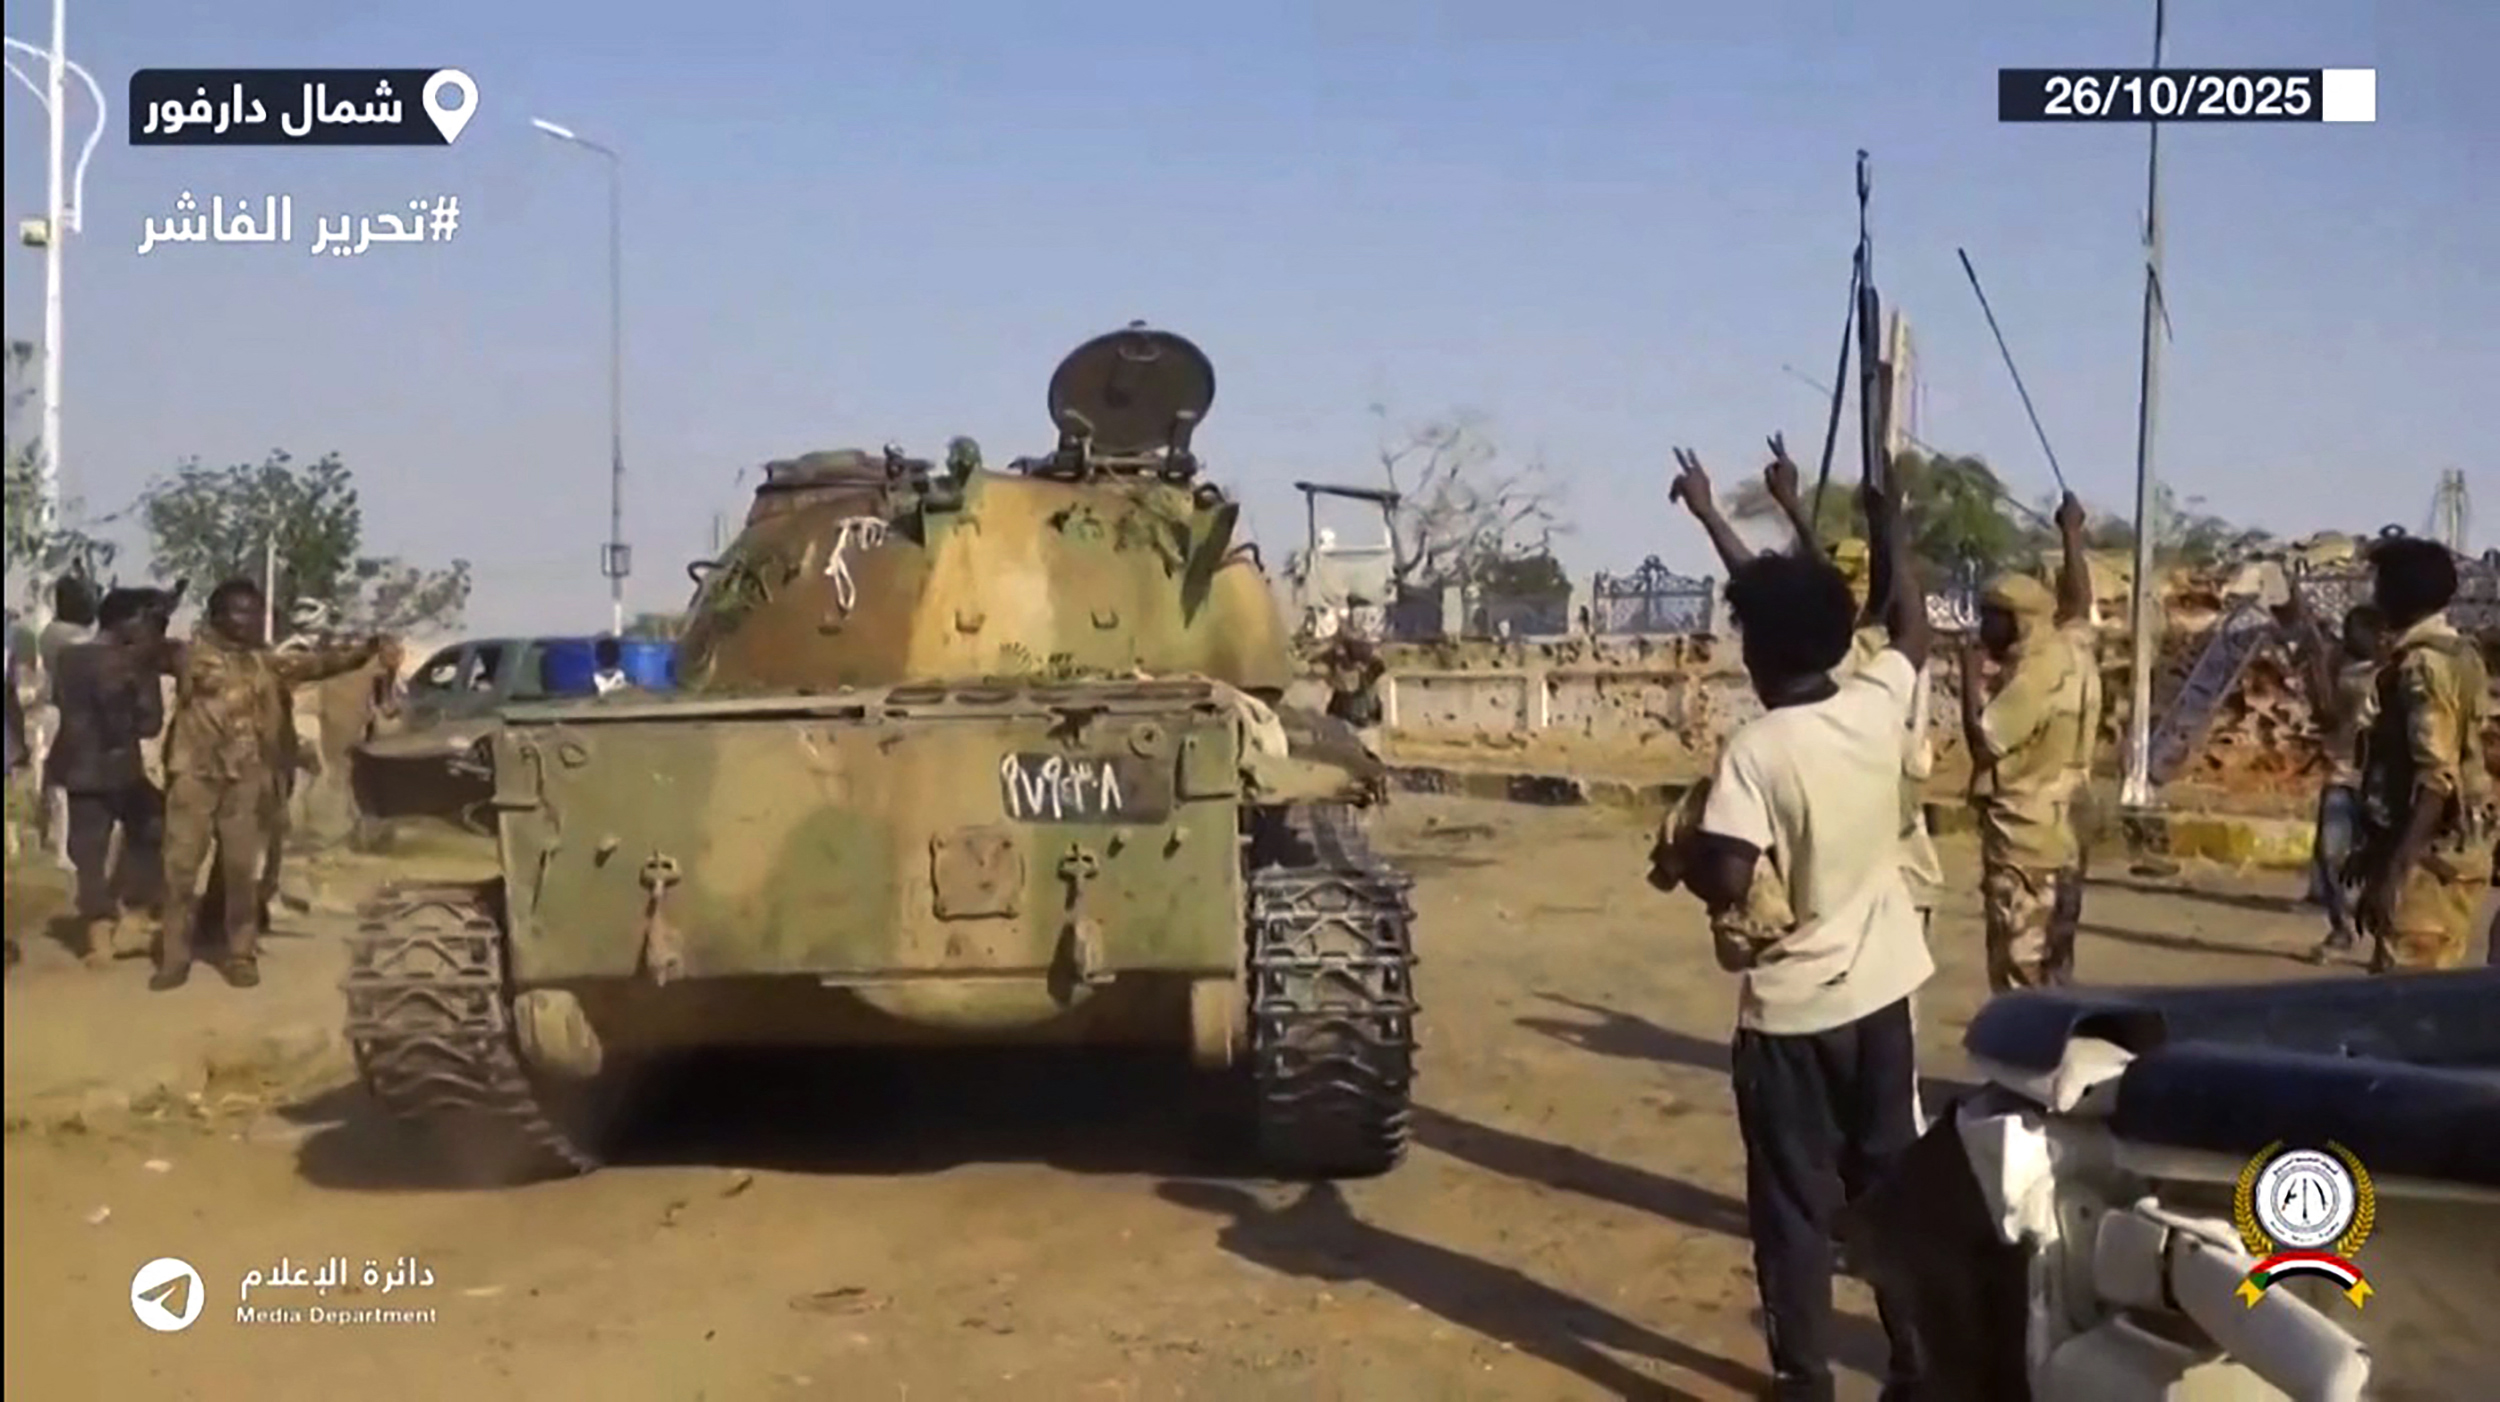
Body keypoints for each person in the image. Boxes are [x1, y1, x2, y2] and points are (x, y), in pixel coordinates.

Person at [1677, 464, 1933, 1401]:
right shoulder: (1876, 703)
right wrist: (1890, 523)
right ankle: (1912, 1363)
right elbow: (1911, 628)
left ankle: (1807, 1380)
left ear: (1753, 655)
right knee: (1888, 1189)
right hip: (1884, 998)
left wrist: (1690, 858)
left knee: (1792, 1205)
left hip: (1791, 1017)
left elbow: (1732, 877)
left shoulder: (1755, 752)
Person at [1670, 438, 1945, 937]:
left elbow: (1778, 596)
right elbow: (1799, 594)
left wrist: (1711, 513)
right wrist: (1810, 510)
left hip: (1852, 894)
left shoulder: (1850, 663)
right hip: (1890, 886)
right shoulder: (1872, 673)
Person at [153, 579, 384, 991]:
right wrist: (162, 610)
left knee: (242, 872)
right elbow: (146, 648)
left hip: (247, 781)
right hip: (194, 778)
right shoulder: (189, 657)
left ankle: (240, 954)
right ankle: (174, 959)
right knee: (180, 871)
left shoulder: (268, 663)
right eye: (240, 612)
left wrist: (365, 651)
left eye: (256, 613)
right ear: (217, 616)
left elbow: (322, 665)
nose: (250, 621)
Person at [1959, 496, 2094, 991]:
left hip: (2023, 848)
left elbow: (1982, 744)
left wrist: (1968, 680)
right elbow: (2078, 604)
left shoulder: (2031, 678)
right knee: (2056, 970)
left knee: (2020, 975)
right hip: (2067, 842)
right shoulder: (2072, 651)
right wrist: (2072, 535)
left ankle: (2023, 1069)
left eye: (1991, 617)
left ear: (2018, 621)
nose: (1982, 627)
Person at [2352, 536, 2492, 973]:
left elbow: (2435, 779)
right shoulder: (2460, 653)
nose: (2374, 595)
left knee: (2404, 1006)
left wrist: (2393, 876)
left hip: (2428, 864)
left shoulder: (2423, 667)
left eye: (2381, 584)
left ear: (2400, 593)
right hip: (2447, 853)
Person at [48, 591, 169, 966]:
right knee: (152, 828)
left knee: (89, 852)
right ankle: (133, 917)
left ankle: (97, 937)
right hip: (118, 769)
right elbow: (149, 724)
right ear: (125, 621)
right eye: (144, 620)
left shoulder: (69, 658)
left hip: (75, 766)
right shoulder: (131, 663)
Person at [2286, 598, 2385, 963]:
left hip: (2380, 779)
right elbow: (2326, 714)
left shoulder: (2395, 668)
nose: (2352, 638)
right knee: (2330, 853)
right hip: (2342, 771)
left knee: (2380, 861)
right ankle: (2342, 928)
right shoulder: (2337, 663)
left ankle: (2382, 937)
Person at [34, 574, 101, 870]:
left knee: (53, 779)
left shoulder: (51, 632)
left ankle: (47, 833)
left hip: (54, 711)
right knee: (64, 784)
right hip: (69, 713)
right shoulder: (71, 636)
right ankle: (62, 849)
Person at [1318, 600, 1388, 755]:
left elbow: (1355, 682)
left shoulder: (1373, 660)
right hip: (1344, 719)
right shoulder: (1336, 654)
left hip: (1364, 722)